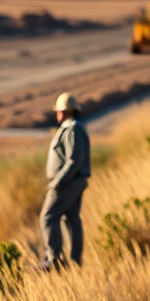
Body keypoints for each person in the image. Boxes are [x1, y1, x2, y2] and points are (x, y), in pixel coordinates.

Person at [39, 92, 91, 271]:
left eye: (59, 110)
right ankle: (75, 263)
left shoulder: (72, 129)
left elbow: (74, 160)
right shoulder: (74, 128)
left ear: (66, 111)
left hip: (68, 182)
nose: (57, 114)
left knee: (48, 217)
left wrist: (58, 181)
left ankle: (54, 262)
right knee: (71, 219)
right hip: (74, 181)